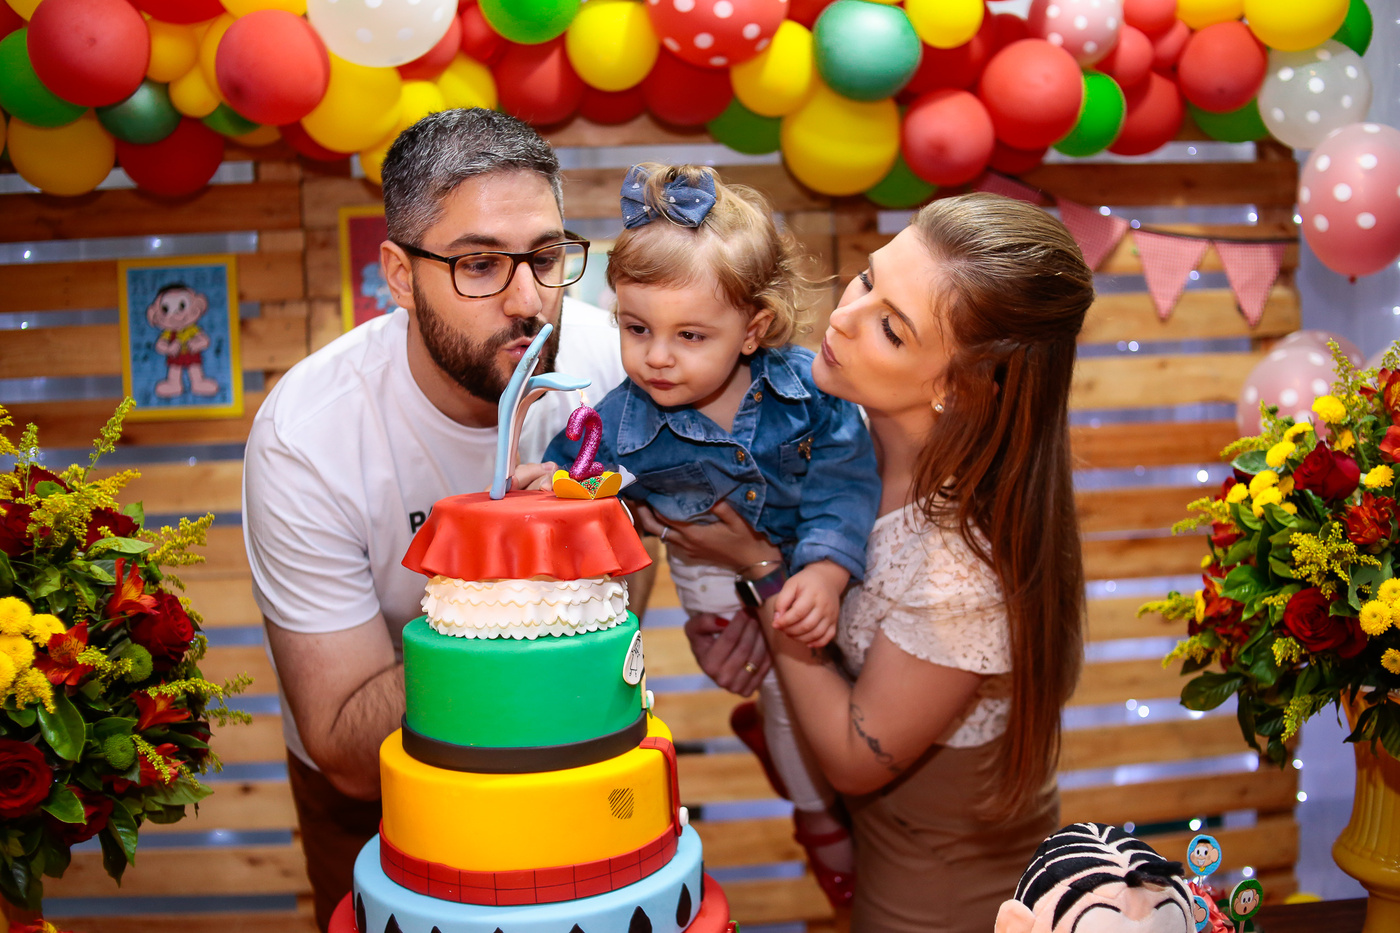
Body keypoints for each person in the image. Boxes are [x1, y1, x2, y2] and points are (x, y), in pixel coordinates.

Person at [642, 193, 1091, 932]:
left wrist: (761, 572)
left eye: (890, 327)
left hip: (941, 906)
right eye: (868, 278)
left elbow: (854, 755)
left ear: (955, 386)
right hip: (867, 856)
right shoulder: (835, 430)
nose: (845, 315)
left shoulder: (960, 567)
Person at [241, 108, 631, 931]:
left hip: (574, 757)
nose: (529, 301)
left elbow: (636, 570)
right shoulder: (308, 435)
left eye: (547, 258)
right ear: (398, 273)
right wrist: (515, 588)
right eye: (479, 264)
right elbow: (346, 745)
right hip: (384, 794)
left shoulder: (611, 365)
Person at [541, 162, 880, 907]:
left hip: (806, 558)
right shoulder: (623, 416)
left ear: (752, 329)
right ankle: (816, 816)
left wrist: (824, 570)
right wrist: (553, 484)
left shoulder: (809, 394)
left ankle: (817, 772)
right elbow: (576, 467)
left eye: (690, 334)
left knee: (848, 684)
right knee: (791, 700)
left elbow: (846, 483)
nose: (657, 356)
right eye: (636, 328)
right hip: (711, 579)